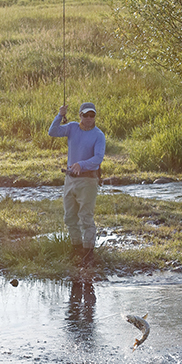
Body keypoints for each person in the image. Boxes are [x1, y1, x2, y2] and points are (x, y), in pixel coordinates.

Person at [48, 102, 106, 263]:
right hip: (70, 179)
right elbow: (52, 132)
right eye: (85, 115)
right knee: (69, 217)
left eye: (91, 115)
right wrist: (60, 115)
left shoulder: (98, 135)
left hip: (88, 180)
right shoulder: (72, 127)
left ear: (94, 116)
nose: (88, 118)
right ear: (80, 115)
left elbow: (98, 158)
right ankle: (76, 250)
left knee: (86, 217)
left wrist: (81, 164)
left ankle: (88, 254)